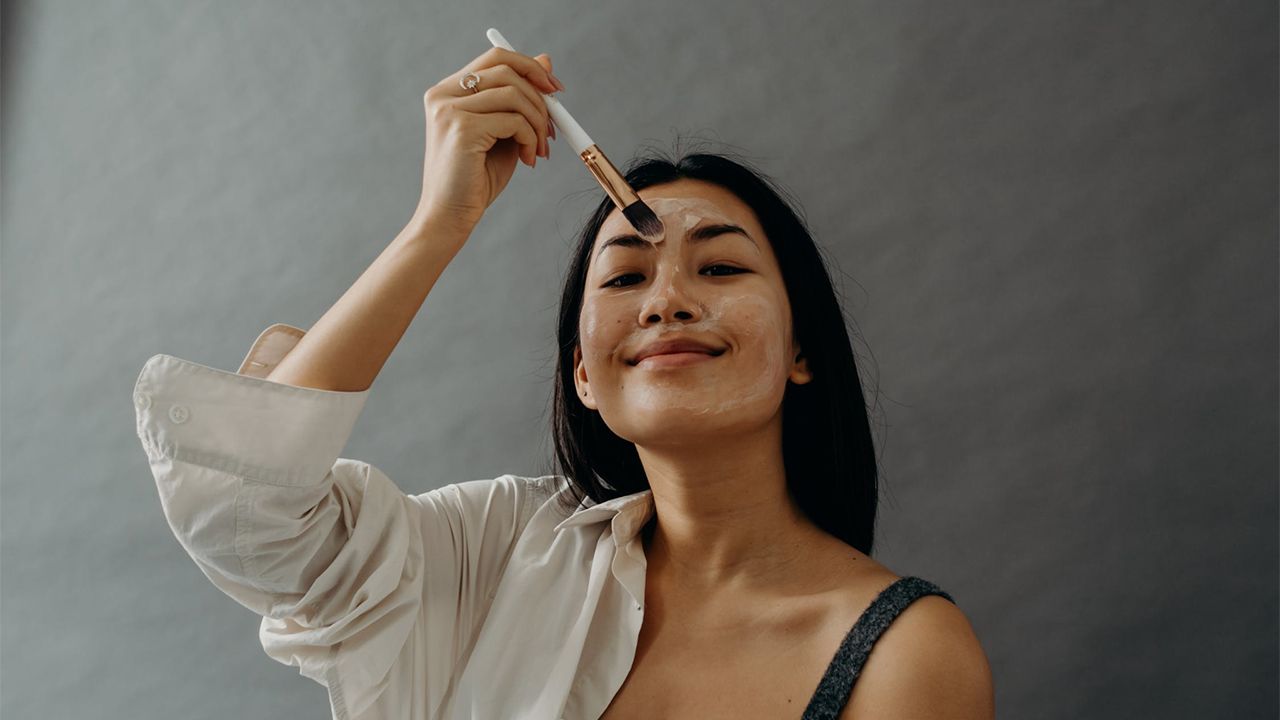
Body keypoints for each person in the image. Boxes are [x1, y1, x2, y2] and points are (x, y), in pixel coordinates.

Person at [132, 45, 994, 719]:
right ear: (584, 373)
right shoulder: (496, 553)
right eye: (624, 279)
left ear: (803, 349)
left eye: (721, 267)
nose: (667, 301)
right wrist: (439, 224)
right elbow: (244, 508)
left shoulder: (904, 653)